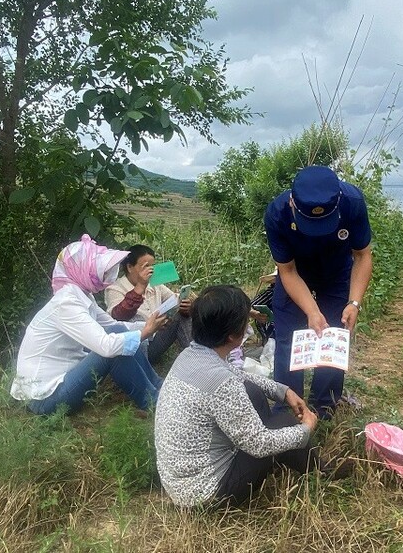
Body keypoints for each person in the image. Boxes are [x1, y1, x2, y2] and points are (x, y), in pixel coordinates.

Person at [154, 285, 320, 507]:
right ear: (234, 335)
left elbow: (237, 373)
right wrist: (304, 430)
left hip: (182, 483)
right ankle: (321, 472)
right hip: (207, 494)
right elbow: (258, 444)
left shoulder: (191, 354)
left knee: (252, 391)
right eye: (245, 320)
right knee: (283, 423)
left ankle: (300, 461)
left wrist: (283, 391)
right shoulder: (222, 384)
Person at [10, 235, 167, 415]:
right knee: (111, 350)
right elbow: (106, 347)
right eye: (95, 269)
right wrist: (144, 332)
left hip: (62, 380)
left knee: (117, 331)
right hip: (44, 398)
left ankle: (159, 388)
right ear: (81, 270)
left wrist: (147, 325)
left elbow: (113, 324)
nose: (103, 275)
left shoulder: (81, 296)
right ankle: (154, 402)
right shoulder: (66, 303)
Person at [263, 165, 373, 417]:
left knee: (334, 332)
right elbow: (287, 271)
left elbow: (363, 255)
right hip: (296, 271)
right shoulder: (277, 214)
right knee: (288, 336)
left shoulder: (353, 203)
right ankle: (288, 408)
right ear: (292, 202)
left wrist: (354, 302)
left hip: (336, 271)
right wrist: (311, 310)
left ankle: (324, 405)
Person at [104, 244, 192, 364]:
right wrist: (140, 287)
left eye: (152, 266)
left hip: (155, 340)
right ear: (130, 267)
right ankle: (197, 357)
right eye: (146, 266)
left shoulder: (154, 284)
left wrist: (184, 305)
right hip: (136, 347)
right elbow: (118, 316)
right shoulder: (115, 289)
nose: (150, 270)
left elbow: (174, 299)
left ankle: (197, 355)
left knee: (183, 314)